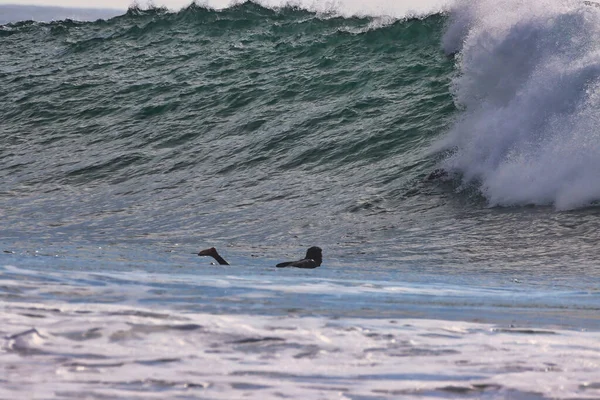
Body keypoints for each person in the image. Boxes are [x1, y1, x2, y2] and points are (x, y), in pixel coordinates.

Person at [197, 246, 323, 269]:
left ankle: (215, 255)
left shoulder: (305, 260)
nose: (322, 258)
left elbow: (283, 264)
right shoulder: (311, 263)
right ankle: (215, 255)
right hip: (282, 271)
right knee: (230, 268)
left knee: (231, 268)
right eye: (321, 255)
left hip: (282, 268)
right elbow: (296, 266)